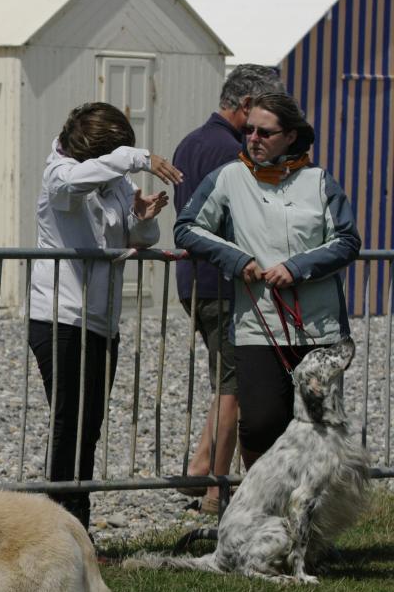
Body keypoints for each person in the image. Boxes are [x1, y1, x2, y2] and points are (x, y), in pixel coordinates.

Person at [175, 92, 360, 470]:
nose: (254, 138)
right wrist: (236, 258)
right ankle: (265, 505)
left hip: (319, 329)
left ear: (291, 136)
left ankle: (313, 518)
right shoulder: (229, 176)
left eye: (265, 132)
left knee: (321, 429)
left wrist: (297, 267)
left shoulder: (321, 181)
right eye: (250, 130)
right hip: (257, 328)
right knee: (259, 426)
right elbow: (187, 228)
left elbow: (347, 241)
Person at [29, 102, 183, 531]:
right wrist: (139, 158)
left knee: (89, 426)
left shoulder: (113, 178)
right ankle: (61, 530)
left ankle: (78, 529)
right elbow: (79, 183)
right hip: (59, 317)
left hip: (101, 320)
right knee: (69, 422)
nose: (125, 167)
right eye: (117, 156)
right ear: (96, 152)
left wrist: (142, 218)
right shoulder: (58, 177)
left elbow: (129, 238)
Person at [172, 65, 286, 514]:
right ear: (245, 107)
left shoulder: (191, 142)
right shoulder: (232, 152)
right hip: (225, 281)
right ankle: (217, 492)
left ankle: (201, 469)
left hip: (194, 281)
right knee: (236, 385)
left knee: (226, 379)